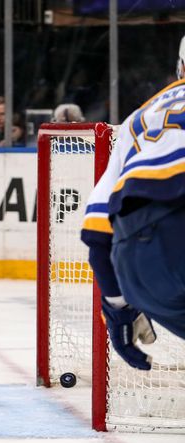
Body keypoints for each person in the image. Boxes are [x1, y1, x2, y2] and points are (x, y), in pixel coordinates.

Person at [80, 45, 185, 371]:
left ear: (180, 66)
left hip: (138, 271)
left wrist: (118, 312)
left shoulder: (137, 118)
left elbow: (97, 239)